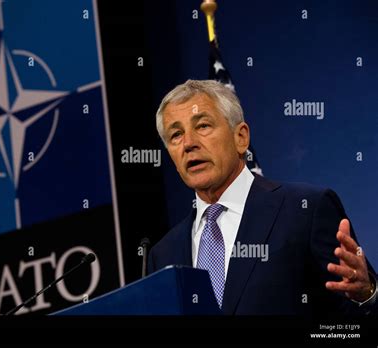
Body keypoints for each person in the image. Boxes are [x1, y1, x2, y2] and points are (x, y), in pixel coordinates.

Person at [148, 79, 377, 315]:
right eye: (176, 134)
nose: (188, 144)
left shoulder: (305, 210)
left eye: (203, 126)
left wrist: (367, 295)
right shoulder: (163, 255)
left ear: (241, 137)